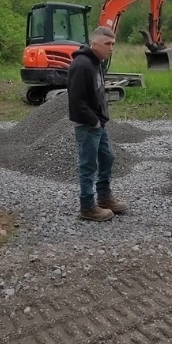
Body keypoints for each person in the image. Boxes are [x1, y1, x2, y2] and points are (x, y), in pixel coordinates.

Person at [67, 26, 128, 221]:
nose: (111, 48)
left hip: (98, 124)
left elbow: (98, 94)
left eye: (113, 44)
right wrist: (93, 121)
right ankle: (87, 207)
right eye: (107, 44)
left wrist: (100, 119)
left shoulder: (96, 63)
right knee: (88, 165)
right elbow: (76, 102)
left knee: (107, 157)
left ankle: (104, 197)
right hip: (87, 125)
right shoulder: (82, 65)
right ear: (94, 44)